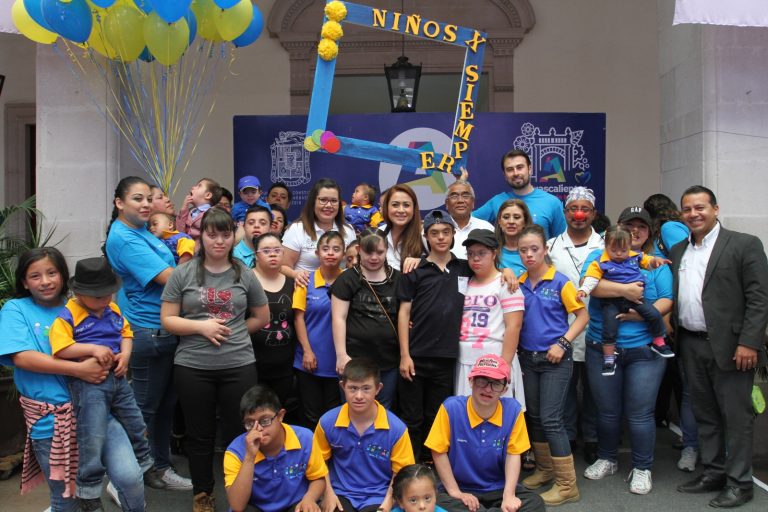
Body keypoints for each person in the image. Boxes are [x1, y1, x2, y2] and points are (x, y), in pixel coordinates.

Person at [0, 248, 145, 512]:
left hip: (99, 410)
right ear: (24, 281)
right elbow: (22, 358)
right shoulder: (16, 309)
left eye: (52, 272)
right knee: (66, 499)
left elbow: (120, 332)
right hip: (52, 421)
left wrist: (123, 356)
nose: (45, 281)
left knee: (130, 477)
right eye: (35, 275)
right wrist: (78, 370)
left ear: (64, 277)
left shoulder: (83, 304)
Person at [161, 208, 270, 510]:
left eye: (225, 234)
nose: (219, 241)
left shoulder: (243, 273)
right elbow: (168, 320)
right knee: (200, 434)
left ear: (232, 236)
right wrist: (201, 327)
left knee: (241, 431)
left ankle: (241, 492)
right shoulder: (183, 273)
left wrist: (234, 332)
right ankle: (202, 493)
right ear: (202, 236)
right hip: (193, 366)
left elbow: (262, 316)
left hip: (238, 365)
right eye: (212, 234)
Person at [672, 185, 768, 508]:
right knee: (706, 413)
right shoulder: (677, 250)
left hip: (733, 348)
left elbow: (759, 298)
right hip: (690, 343)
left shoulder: (744, 244)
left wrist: (750, 343)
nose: (693, 214)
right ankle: (714, 472)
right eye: (687, 209)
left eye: (700, 207)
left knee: (736, 417)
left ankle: (740, 483)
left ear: (715, 209)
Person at [105, 176, 192, 491]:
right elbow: (170, 277)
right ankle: (123, 477)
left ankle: (159, 468)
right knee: (143, 408)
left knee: (165, 404)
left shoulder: (142, 232)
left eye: (147, 199)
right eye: (137, 199)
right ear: (119, 203)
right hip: (147, 331)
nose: (144, 204)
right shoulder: (125, 238)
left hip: (165, 329)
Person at [49, 257, 154, 510]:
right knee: (92, 434)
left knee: (136, 420)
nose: (104, 300)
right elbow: (60, 348)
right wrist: (93, 349)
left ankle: (144, 463)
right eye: (97, 296)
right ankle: (88, 487)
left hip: (118, 379)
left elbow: (126, 334)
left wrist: (126, 355)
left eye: (108, 294)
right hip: (89, 386)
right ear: (79, 293)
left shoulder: (113, 310)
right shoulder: (68, 315)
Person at [582, 206, 672, 496]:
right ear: (617, 228)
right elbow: (593, 288)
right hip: (602, 347)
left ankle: (642, 466)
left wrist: (639, 314)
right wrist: (628, 292)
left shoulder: (652, 263)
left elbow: (667, 301)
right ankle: (607, 458)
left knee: (640, 413)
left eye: (641, 227)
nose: (635, 231)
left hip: (644, 351)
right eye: (629, 225)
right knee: (606, 412)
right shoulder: (598, 257)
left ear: (649, 232)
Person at [516, 225, 587, 506]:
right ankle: (545, 470)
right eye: (523, 250)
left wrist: (563, 343)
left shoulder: (560, 282)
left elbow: (582, 317)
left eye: (535, 249)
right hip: (528, 359)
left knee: (551, 419)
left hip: (555, 359)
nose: (529, 254)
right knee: (533, 416)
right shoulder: (519, 282)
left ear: (545, 250)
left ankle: (568, 485)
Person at [425, 354, 545, 512]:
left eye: (496, 383)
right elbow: (438, 451)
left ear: (505, 389)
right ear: (471, 381)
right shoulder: (451, 408)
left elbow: (513, 454)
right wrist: (456, 493)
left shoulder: (514, 410)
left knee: (535, 502)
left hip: (499, 489)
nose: (488, 389)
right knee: (435, 503)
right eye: (482, 380)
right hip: (461, 489)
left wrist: (509, 495)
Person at [397, 211, 470, 460]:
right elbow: (404, 313)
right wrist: (404, 355)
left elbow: (491, 273)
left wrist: (507, 272)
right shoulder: (415, 270)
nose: (440, 237)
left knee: (437, 415)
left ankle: (432, 463)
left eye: (446, 232)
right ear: (426, 236)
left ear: (453, 235)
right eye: (434, 233)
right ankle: (410, 465)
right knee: (412, 417)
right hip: (416, 355)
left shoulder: (464, 267)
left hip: (447, 356)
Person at [546, 186, 603, 464]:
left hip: (597, 329)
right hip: (562, 329)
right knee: (565, 387)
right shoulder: (551, 246)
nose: (578, 214)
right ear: (565, 212)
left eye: (585, 209)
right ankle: (567, 436)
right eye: (573, 209)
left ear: (593, 213)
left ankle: (591, 438)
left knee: (594, 389)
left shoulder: (605, 247)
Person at [315, 358, 414, 512]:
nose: (359, 396)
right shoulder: (327, 422)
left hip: (379, 496)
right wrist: (328, 493)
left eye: (366, 388)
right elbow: (318, 463)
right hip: (340, 494)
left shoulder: (397, 429)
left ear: (378, 388)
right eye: (353, 388)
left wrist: (386, 504)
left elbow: (401, 473)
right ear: (343, 387)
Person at [643, 193, 697, 472]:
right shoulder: (672, 227)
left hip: (677, 309)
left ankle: (696, 445)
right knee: (684, 387)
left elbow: (681, 264)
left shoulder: (667, 228)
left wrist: (666, 315)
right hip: (674, 312)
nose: (692, 215)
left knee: (687, 387)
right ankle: (691, 443)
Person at [579, 225, 674, 375]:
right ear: (606, 246)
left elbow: (648, 261)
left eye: (623, 250)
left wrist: (656, 261)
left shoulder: (634, 256)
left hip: (636, 300)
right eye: (614, 250)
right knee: (609, 326)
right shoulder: (599, 261)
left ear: (629, 246)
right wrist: (584, 290)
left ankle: (658, 342)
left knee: (654, 314)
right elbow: (590, 279)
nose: (618, 254)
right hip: (611, 302)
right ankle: (609, 358)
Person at [224, 385, 327, 512]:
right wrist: (249, 457)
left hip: (295, 505)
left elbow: (318, 478)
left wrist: (309, 498)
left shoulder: (305, 438)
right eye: (250, 423)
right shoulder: (235, 451)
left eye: (265, 420)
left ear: (280, 416)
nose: (258, 428)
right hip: (256, 507)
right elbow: (237, 506)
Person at [456, 229, 525, 410]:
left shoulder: (506, 283)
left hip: (495, 359)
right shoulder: (465, 282)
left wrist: (505, 364)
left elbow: (514, 326)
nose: (475, 259)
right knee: (466, 414)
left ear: (494, 253)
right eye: (470, 254)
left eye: (481, 253)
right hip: (465, 360)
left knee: (500, 414)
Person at [331, 230, 401, 408]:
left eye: (379, 252)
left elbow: (404, 316)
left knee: (384, 407)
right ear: (359, 249)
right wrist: (341, 355)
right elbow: (339, 317)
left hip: (388, 359)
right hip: (354, 358)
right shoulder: (347, 279)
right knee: (353, 406)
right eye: (369, 252)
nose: (374, 257)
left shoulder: (398, 279)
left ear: (387, 250)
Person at [293, 230, 345, 428]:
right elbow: (298, 318)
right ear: (317, 253)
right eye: (325, 249)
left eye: (336, 249)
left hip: (338, 363)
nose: (330, 253)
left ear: (343, 253)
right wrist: (307, 351)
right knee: (311, 416)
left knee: (334, 417)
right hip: (309, 361)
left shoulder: (349, 280)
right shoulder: (305, 281)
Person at [251, 233, 297, 415]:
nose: (272, 254)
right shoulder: (246, 281)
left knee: (277, 415)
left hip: (284, 365)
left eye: (277, 250)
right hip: (252, 365)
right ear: (256, 255)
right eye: (266, 251)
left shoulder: (293, 283)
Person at [473, 149, 566, 239]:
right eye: (510, 169)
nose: (515, 173)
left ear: (530, 169)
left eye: (520, 167)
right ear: (505, 175)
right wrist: (461, 184)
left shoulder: (552, 202)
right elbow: (466, 221)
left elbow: (562, 242)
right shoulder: (497, 201)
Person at [282, 178, 355, 285]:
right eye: (323, 200)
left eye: (334, 201)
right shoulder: (297, 229)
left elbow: (354, 264)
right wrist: (295, 274)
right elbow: (282, 266)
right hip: (306, 291)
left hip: (342, 292)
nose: (329, 205)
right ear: (313, 202)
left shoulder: (348, 230)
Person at [444, 180, 494, 260]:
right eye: (454, 196)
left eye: (465, 196)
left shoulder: (487, 228)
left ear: (473, 202)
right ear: (446, 204)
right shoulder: (438, 230)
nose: (460, 200)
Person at [380, 184, 424, 270]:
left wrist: (422, 262)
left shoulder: (424, 235)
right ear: (386, 207)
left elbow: (441, 265)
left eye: (406, 205)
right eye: (395, 205)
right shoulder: (378, 234)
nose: (401, 210)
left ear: (414, 209)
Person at [176, 177, 224, 242]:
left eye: (199, 186)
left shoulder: (212, 214)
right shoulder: (189, 211)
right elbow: (179, 231)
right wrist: (184, 209)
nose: (193, 187)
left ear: (208, 195)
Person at [495, 199, 533, 278]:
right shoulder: (491, 250)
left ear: (525, 222)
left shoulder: (535, 251)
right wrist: (502, 271)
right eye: (506, 217)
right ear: (499, 221)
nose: (511, 221)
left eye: (516, 217)